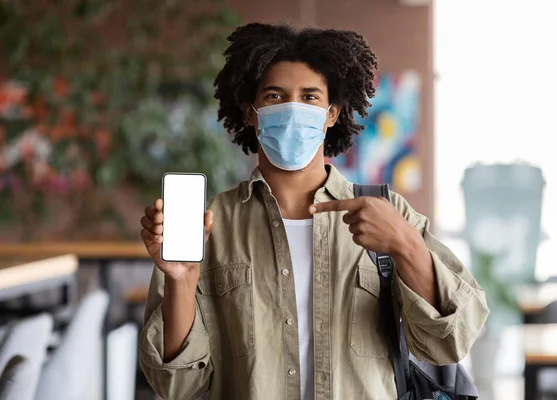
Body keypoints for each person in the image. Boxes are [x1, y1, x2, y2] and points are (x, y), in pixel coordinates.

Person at [139, 23, 489, 400]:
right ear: (251, 112)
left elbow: (450, 343)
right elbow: (177, 386)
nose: (293, 109)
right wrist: (179, 280)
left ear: (332, 114)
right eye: (275, 96)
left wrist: (406, 244)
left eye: (309, 97)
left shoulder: (387, 211)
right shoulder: (212, 225)